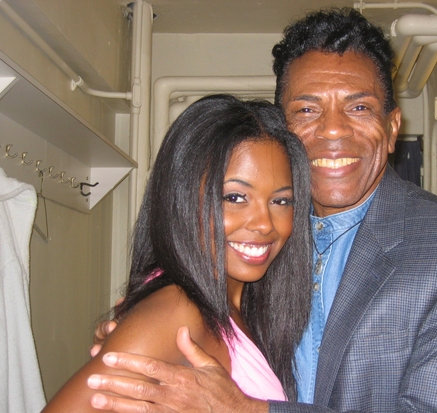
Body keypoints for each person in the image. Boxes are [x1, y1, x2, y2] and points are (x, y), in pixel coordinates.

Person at [86, 8, 437, 413]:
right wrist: (149, 338)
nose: (332, 129)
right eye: (307, 109)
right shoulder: (256, 238)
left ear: (391, 129)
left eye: (359, 107)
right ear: (281, 129)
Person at [41, 94, 313, 411]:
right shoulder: (177, 311)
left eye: (281, 201)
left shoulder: (243, 305)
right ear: (182, 198)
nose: (265, 224)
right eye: (236, 197)